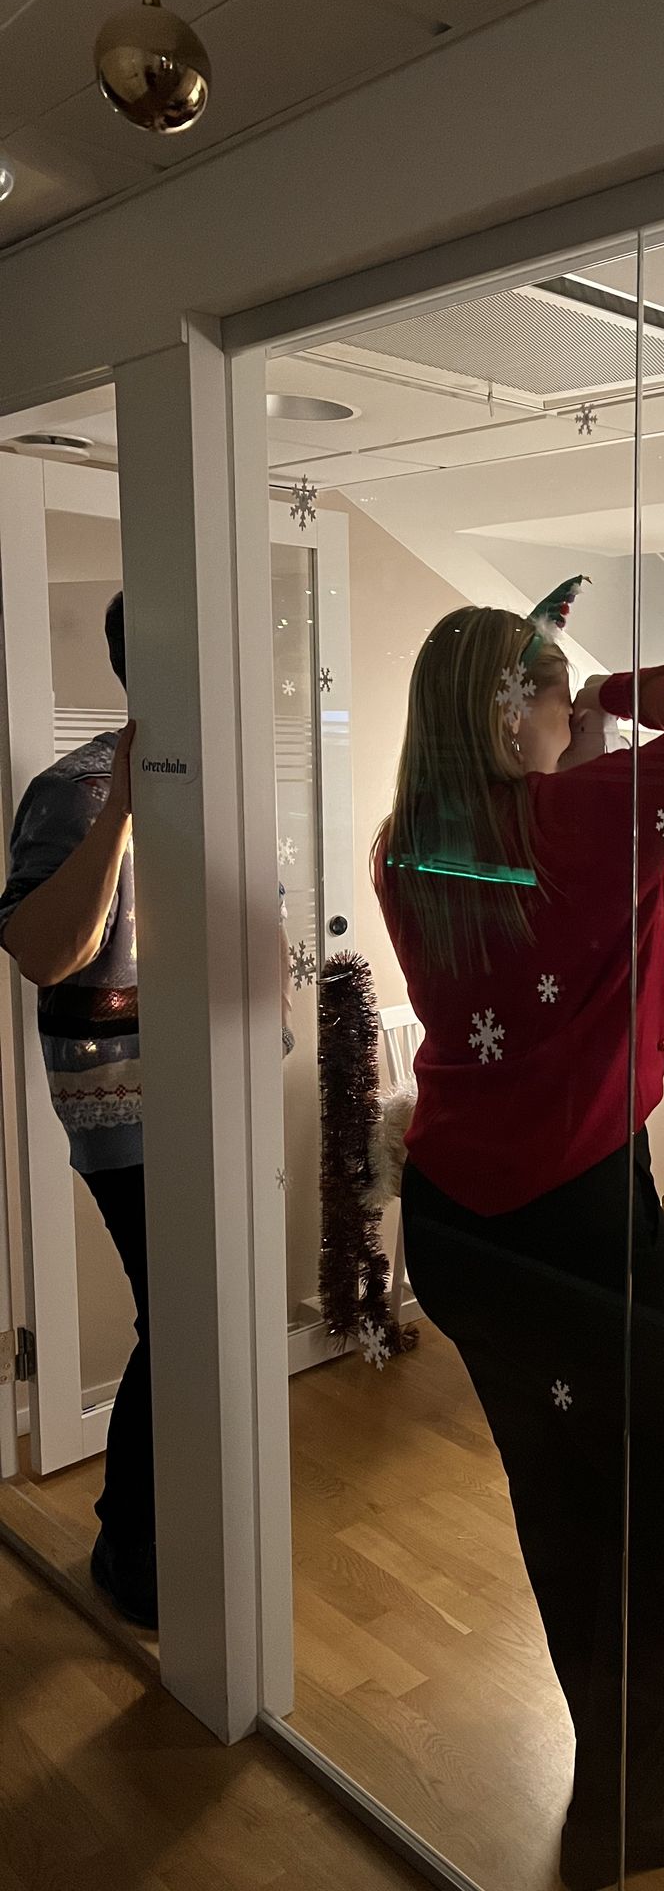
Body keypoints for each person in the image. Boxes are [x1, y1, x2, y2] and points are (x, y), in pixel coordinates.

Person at [373, 599, 664, 1891]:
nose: (577, 715)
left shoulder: (408, 844)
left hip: (463, 1220)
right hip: (575, 1220)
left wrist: (580, 726)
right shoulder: (577, 822)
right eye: (554, 695)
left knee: (568, 1501)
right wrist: (622, 688)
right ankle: (633, 1804)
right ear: (513, 712)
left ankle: (619, 1775)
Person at [0, 594, 151, 1627]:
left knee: (194, 1318)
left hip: (216, 1093)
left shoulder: (223, 779)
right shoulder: (72, 789)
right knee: (179, 1319)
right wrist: (122, 812)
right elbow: (43, 953)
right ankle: (131, 1551)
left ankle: (165, 1533)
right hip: (122, 1101)